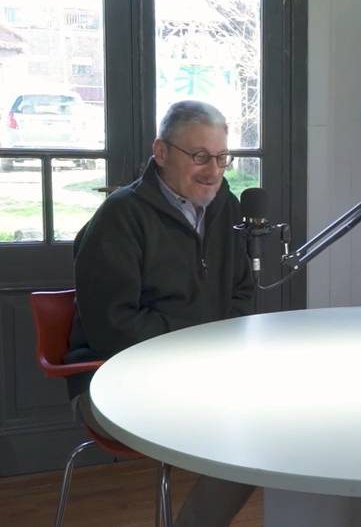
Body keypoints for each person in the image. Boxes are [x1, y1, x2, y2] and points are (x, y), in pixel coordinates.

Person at [65, 100, 256, 527]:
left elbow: (243, 294)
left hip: (200, 374)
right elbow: (113, 328)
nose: (213, 170)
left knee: (269, 427)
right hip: (113, 381)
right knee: (248, 434)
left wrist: (217, 349)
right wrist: (200, 345)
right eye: (200, 156)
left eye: (222, 157)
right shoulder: (121, 216)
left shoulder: (226, 209)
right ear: (162, 151)